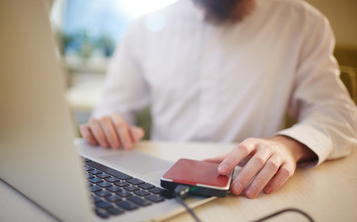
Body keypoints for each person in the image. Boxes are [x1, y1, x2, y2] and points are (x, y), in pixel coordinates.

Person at [79, 0, 357, 199]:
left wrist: (289, 145)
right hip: (158, 187)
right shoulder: (142, 29)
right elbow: (113, 107)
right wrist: (109, 122)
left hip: (251, 190)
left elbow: (339, 114)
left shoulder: (303, 24)